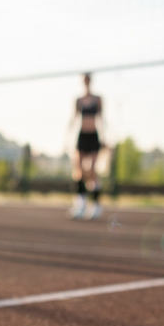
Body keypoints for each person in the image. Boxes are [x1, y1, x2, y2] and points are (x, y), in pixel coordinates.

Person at [71, 73, 104, 220]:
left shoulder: (98, 99)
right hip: (82, 136)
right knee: (79, 170)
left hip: (94, 136)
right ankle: (80, 203)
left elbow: (102, 119)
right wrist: (66, 140)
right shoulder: (78, 100)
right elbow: (73, 119)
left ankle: (96, 205)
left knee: (91, 170)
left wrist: (104, 137)